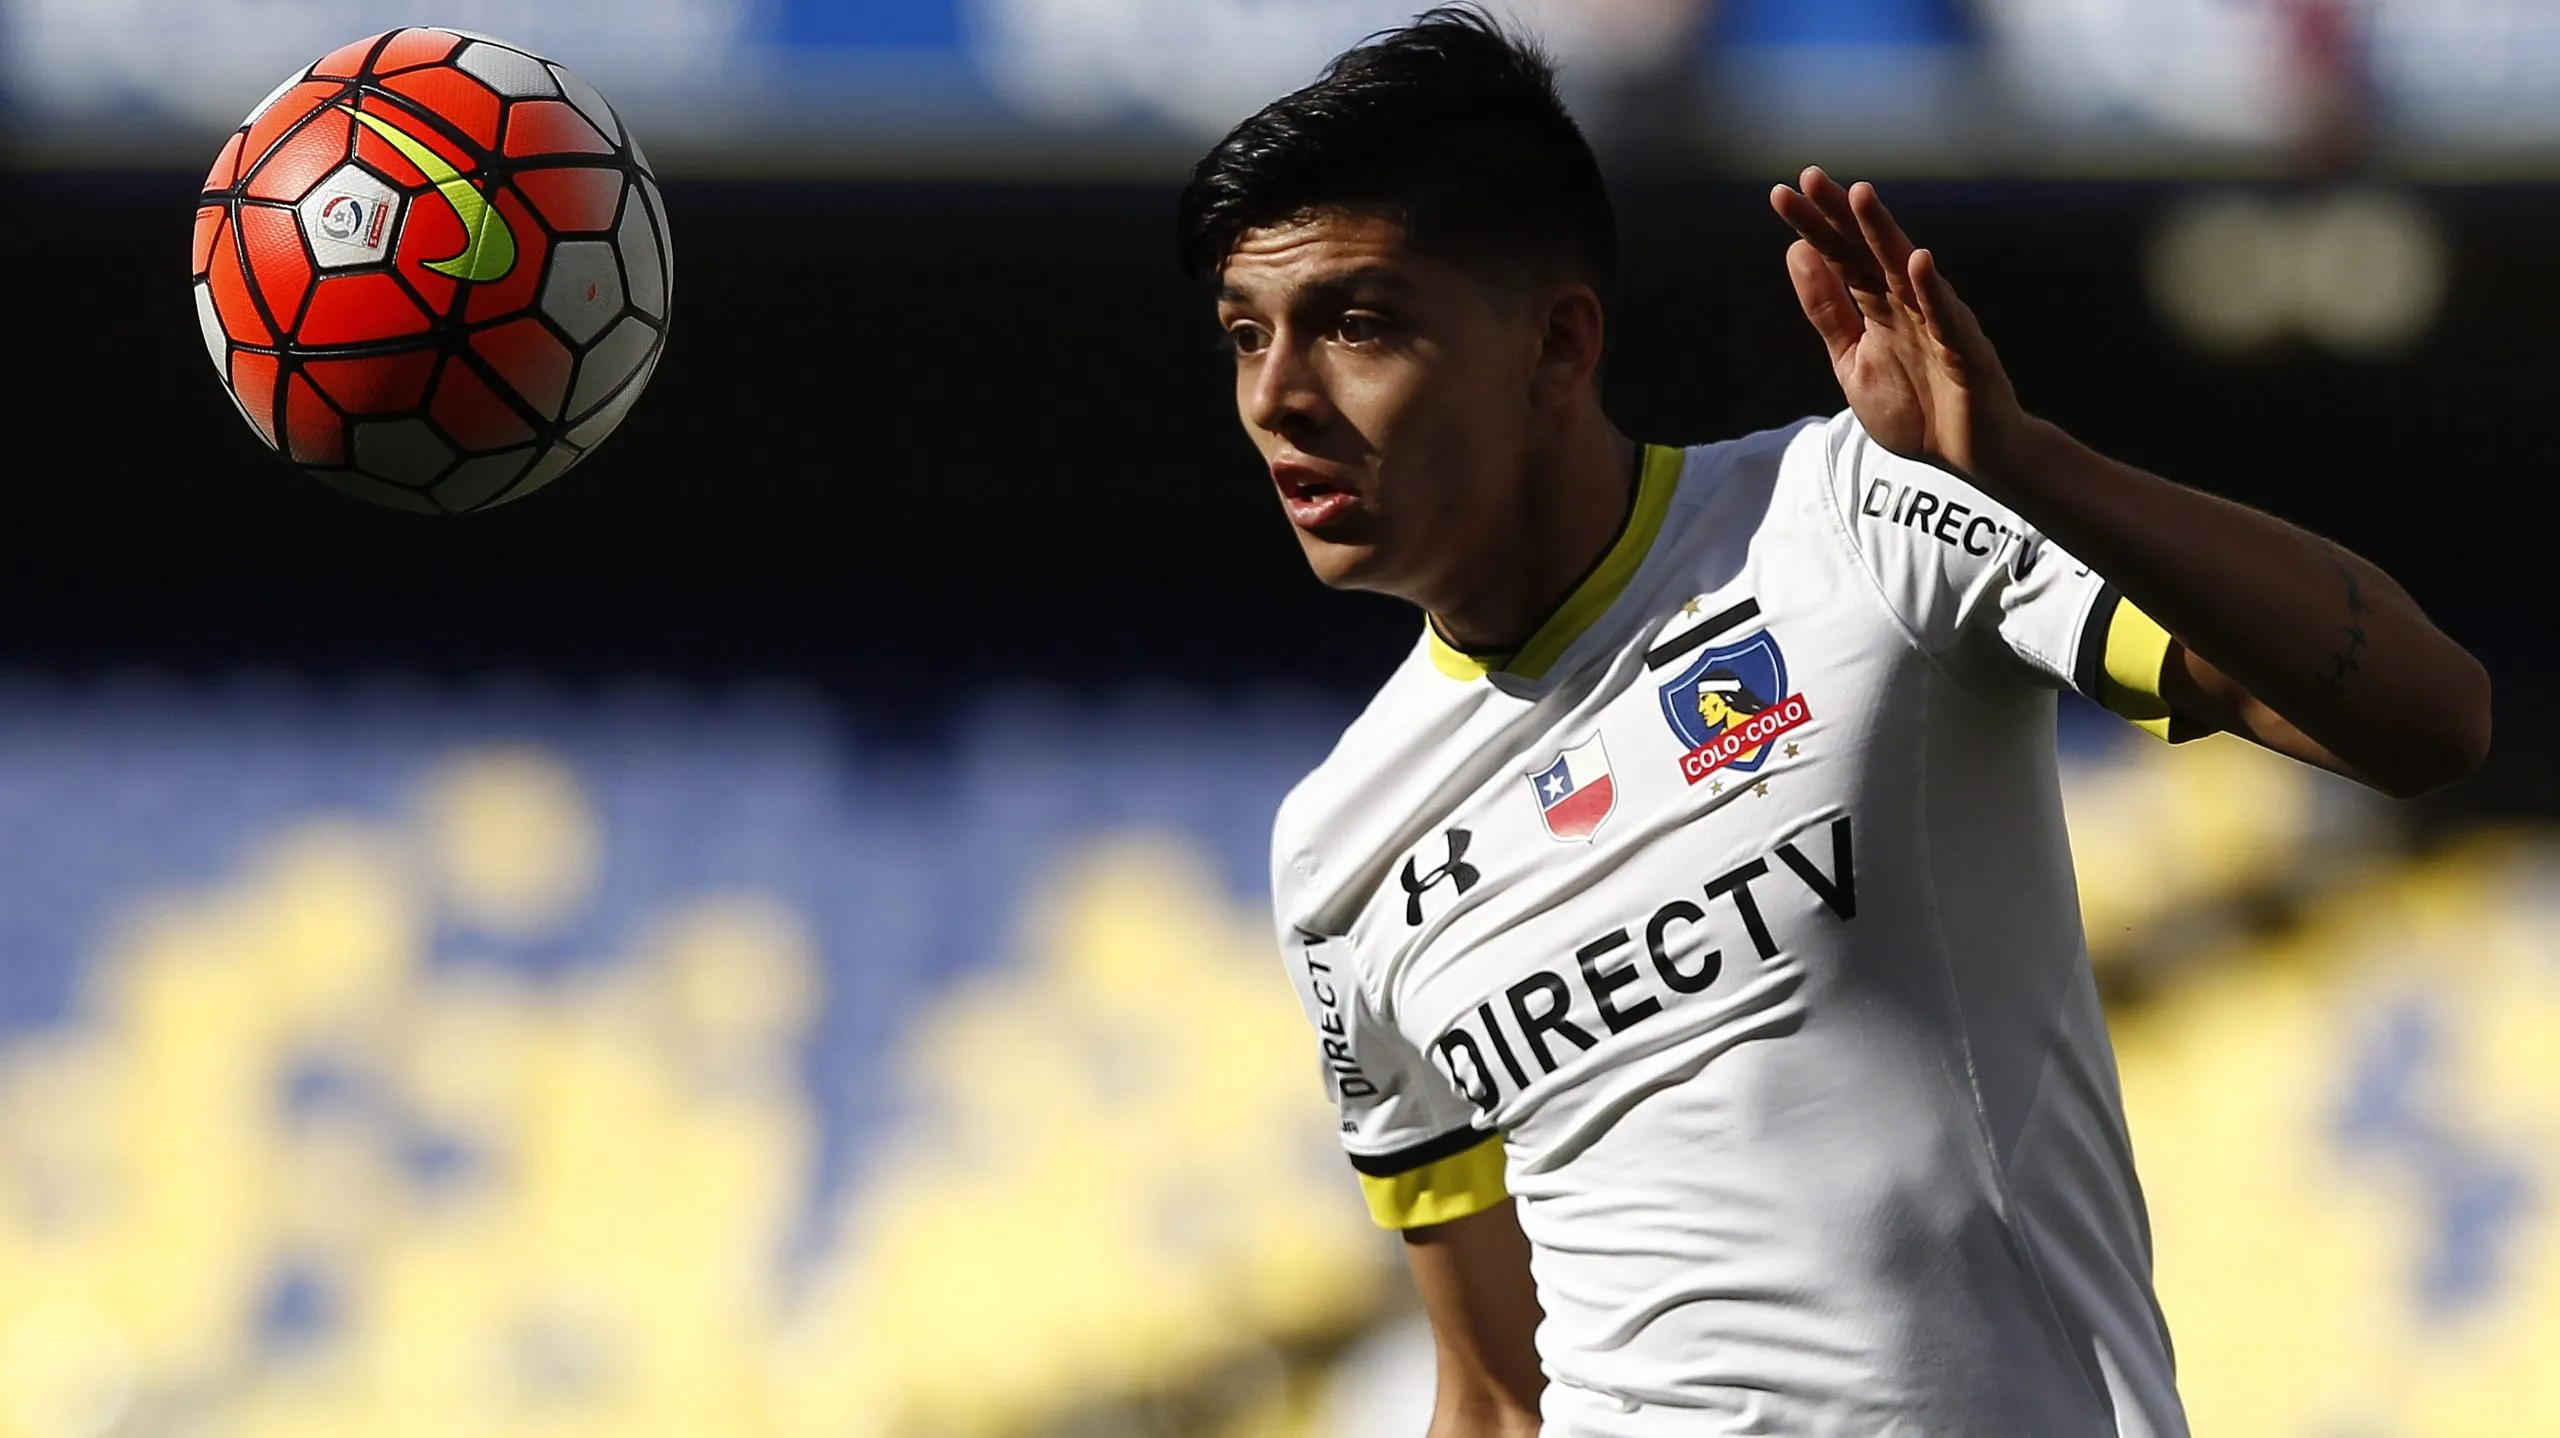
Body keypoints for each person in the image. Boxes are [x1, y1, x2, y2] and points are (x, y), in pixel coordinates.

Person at [1177, 8, 2490, 1436]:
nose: (1277, 397)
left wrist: (2030, 467)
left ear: (1557, 344)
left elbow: (2432, 718)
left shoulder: (1854, 520)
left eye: (1356, 324)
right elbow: (1495, 1395)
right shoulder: (1337, 847)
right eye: (1247, 335)